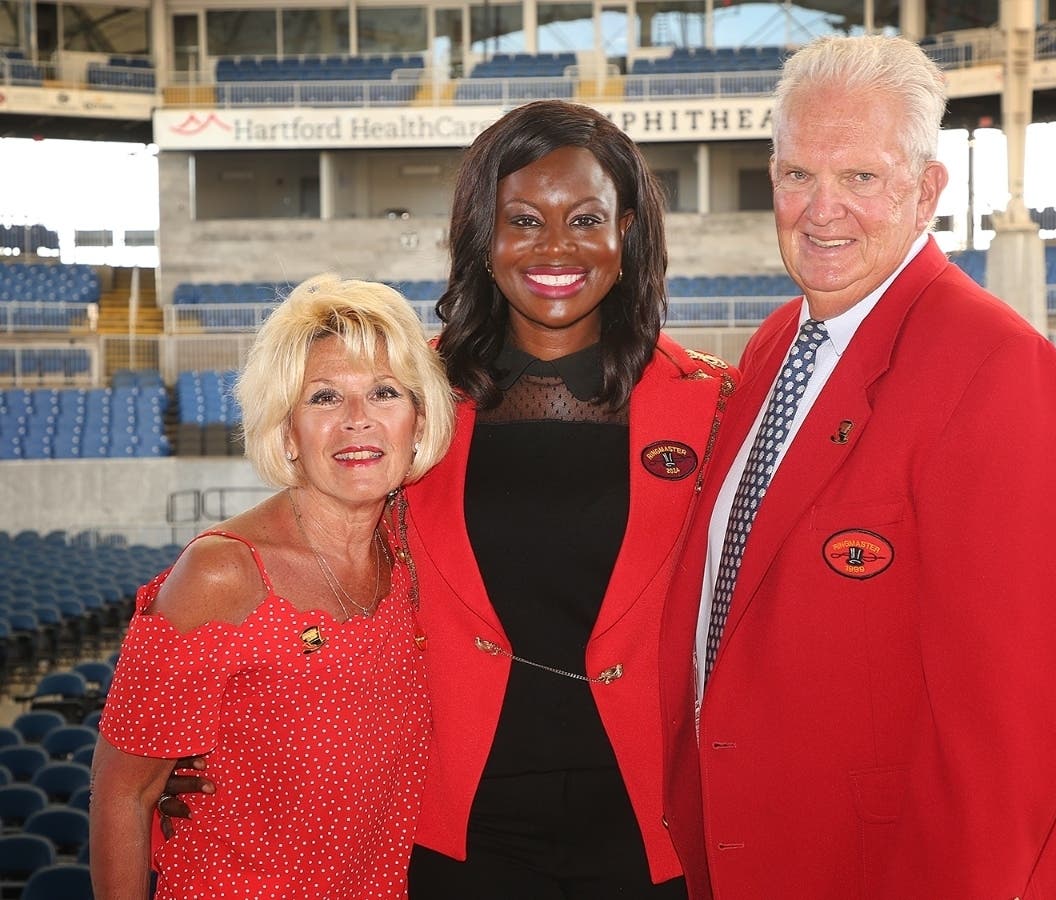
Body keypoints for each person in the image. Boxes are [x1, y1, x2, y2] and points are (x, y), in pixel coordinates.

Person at [658, 35, 1056, 900]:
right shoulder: (773, 344)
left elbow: (1013, 728)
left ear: (926, 190)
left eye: (861, 177)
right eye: (797, 175)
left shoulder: (997, 367)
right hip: (751, 854)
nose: (822, 210)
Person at [400, 99, 735, 897]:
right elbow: (322, 563)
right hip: (455, 829)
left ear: (627, 235)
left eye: (586, 218)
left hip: (649, 830)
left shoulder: (717, 404)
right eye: (524, 219)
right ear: (484, 238)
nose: (556, 246)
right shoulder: (404, 395)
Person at [90, 274, 456, 899]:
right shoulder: (222, 573)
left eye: (384, 393)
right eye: (323, 398)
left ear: (418, 424)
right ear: (287, 432)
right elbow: (124, 792)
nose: (357, 421)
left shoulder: (417, 560)